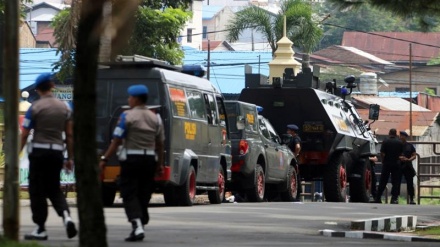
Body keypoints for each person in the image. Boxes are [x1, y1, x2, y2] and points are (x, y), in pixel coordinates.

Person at [99, 84, 165, 242]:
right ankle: (142, 218)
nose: (128, 100)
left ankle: (137, 224)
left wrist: (104, 159)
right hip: (149, 159)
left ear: (135, 99)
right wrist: (160, 164)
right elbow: (160, 144)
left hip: (131, 159)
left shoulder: (126, 116)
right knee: (144, 191)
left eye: (130, 97)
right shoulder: (155, 118)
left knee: (129, 192)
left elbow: (116, 140)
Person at [20, 72, 77, 240]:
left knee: (37, 189)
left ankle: (40, 227)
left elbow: (24, 134)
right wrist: (69, 158)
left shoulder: (35, 108)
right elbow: (70, 135)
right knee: (53, 188)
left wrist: (16, 154)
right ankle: (66, 218)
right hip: (57, 152)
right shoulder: (65, 108)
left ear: (37, 89)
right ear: (52, 86)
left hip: (39, 152)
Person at [374, 128, 403, 204]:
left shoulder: (385, 141)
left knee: (383, 180)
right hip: (396, 163)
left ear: (389, 133)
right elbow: (401, 154)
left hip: (387, 163)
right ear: (396, 133)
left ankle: (378, 197)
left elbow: (382, 153)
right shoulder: (400, 142)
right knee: (396, 181)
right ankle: (394, 199)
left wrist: (383, 160)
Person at [399, 131, 417, 205]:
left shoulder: (410, 146)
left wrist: (408, 159)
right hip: (399, 165)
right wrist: (399, 157)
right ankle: (395, 198)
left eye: (402, 136)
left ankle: (411, 199)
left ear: (405, 137)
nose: (401, 137)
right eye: (400, 136)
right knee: (396, 182)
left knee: (410, 183)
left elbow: (414, 155)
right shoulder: (397, 145)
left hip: (408, 165)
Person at [286, 124, 302, 201]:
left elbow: (298, 147)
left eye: (289, 130)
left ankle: (297, 195)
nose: (287, 131)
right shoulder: (292, 138)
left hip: (295, 160)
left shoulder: (295, 138)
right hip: (295, 159)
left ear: (292, 131)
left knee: (296, 177)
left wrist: (294, 155)